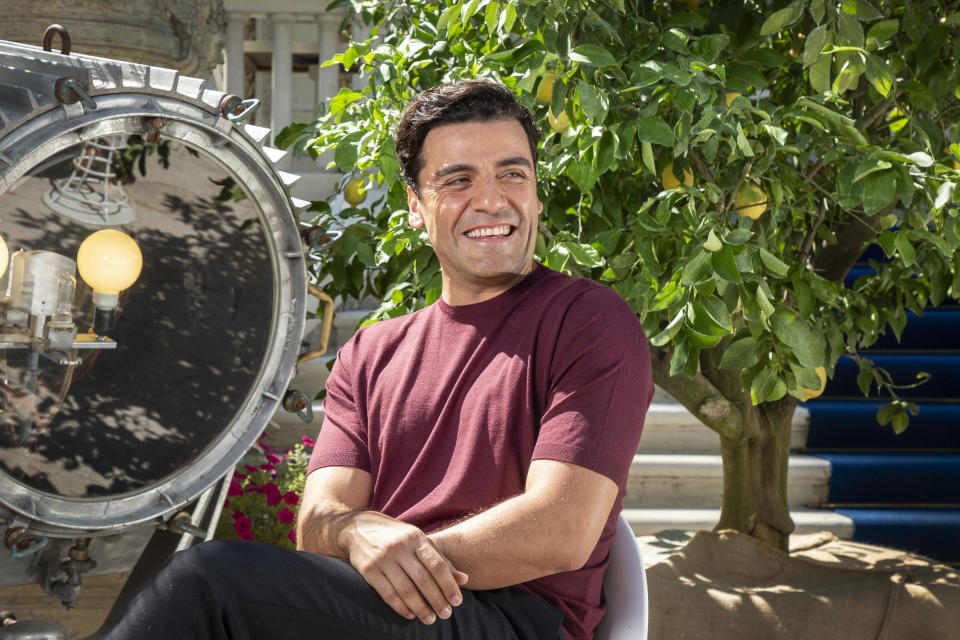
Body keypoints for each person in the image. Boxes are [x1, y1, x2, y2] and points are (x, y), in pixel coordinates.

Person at [104, 79, 653, 640]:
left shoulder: (588, 320)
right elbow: (318, 526)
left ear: (536, 194)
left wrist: (397, 562)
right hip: (386, 616)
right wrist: (352, 532)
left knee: (208, 580)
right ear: (416, 206)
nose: (491, 199)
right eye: (458, 180)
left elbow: (561, 529)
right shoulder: (371, 353)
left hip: (517, 620)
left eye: (513, 174)